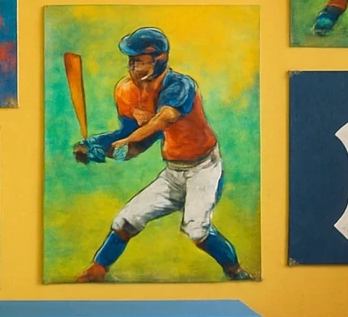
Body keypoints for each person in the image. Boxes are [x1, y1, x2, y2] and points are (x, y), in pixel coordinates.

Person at [72, 27, 252, 282]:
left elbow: (163, 120)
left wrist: (126, 140)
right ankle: (98, 270)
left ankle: (236, 271)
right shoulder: (126, 91)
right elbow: (135, 144)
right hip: (173, 172)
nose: (134, 66)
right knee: (126, 220)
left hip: (204, 169)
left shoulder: (180, 84)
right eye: (132, 60)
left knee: (196, 230)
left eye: (140, 60)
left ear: (159, 59)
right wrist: (96, 147)